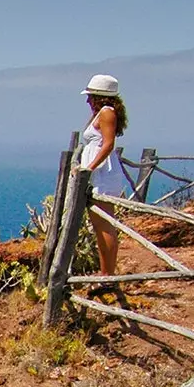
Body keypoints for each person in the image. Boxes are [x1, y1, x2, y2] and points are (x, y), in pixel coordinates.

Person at [77, 73, 131, 275]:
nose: (88, 100)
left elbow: (108, 144)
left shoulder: (107, 113)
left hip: (102, 174)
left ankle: (107, 274)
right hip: (99, 173)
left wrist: (90, 167)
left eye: (91, 95)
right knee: (99, 226)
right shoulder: (103, 113)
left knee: (104, 226)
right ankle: (105, 272)